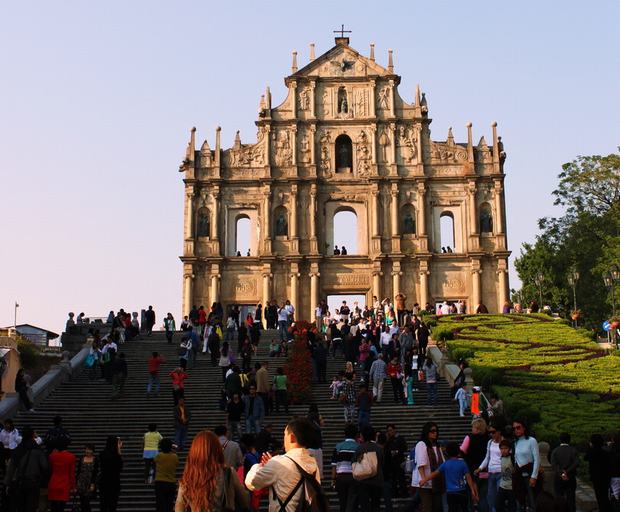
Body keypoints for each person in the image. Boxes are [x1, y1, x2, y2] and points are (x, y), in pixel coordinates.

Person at [245, 417, 321, 511]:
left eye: (285, 435)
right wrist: (272, 463)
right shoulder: (313, 463)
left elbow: (251, 482)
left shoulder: (278, 463)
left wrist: (259, 466)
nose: (283, 439)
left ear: (292, 437)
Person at [175, 430, 249, 512]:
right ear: (217, 449)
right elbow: (245, 501)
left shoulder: (189, 477)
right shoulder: (228, 472)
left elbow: (179, 508)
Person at [420, 441, 478, 512]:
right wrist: (472, 490)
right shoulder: (463, 463)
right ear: (458, 451)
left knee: (452, 509)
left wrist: (424, 480)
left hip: (451, 493)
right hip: (462, 491)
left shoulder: (445, 464)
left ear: (447, 452)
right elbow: (468, 477)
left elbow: (435, 473)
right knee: (464, 509)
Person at [412, 421, 445, 512]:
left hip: (436, 482)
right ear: (426, 432)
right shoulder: (421, 444)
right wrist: (424, 479)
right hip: (425, 483)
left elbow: (442, 463)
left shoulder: (437, 446)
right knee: (427, 507)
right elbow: (420, 463)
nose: (435, 433)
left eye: (436, 431)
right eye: (432, 431)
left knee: (437, 507)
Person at [475, 419, 504, 512]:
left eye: (493, 432)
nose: (491, 434)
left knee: (500, 498)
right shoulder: (490, 442)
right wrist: (479, 468)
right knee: (490, 497)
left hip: (501, 472)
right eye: (490, 432)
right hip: (491, 473)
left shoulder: (504, 442)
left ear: (499, 432)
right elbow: (487, 458)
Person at [512, 418, 541, 511]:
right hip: (519, 475)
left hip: (529, 474)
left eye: (518, 427)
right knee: (520, 500)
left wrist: (534, 476)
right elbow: (516, 459)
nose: (516, 430)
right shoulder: (515, 442)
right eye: (514, 428)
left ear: (524, 428)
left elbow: (537, 459)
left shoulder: (532, 440)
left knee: (532, 500)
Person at [355, 425, 385, 509]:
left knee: (364, 506)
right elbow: (382, 462)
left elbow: (354, 462)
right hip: (377, 480)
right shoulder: (379, 448)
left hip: (363, 481)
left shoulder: (359, 448)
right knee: (376, 505)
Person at [331, 423, 359, 512]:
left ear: (345, 434)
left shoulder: (338, 446)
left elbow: (334, 464)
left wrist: (333, 479)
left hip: (340, 477)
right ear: (356, 434)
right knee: (352, 503)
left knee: (342, 503)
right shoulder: (358, 447)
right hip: (354, 477)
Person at [550, 432, 578, 512]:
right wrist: (567, 472)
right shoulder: (573, 450)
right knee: (571, 499)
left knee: (559, 498)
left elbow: (554, 464)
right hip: (570, 477)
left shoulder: (555, 451)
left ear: (560, 440)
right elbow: (576, 463)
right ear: (569, 440)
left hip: (558, 477)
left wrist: (562, 473)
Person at [47, 439, 76, 512]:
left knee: (53, 507)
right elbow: (71, 473)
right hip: (64, 484)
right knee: (61, 507)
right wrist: (73, 486)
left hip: (53, 482)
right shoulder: (71, 456)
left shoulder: (52, 456)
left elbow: (49, 469)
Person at [585, 433, 612, 512]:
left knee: (599, 495)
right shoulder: (605, 452)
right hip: (605, 476)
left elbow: (585, 458)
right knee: (605, 495)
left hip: (595, 476)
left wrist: (590, 447)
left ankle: (602, 508)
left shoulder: (591, 452)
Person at [99, 436, 123, 512]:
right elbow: (120, 467)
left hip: (104, 482)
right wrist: (119, 449)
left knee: (103, 504)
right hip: (114, 482)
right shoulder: (116, 456)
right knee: (113, 505)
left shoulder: (102, 454)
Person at [154, 438, 178, 512]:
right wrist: (173, 450)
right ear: (171, 447)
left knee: (160, 504)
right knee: (169, 504)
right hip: (171, 483)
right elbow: (176, 463)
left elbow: (154, 462)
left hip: (160, 482)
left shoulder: (158, 456)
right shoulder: (175, 457)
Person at [385, 424, 408, 499]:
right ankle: (394, 493)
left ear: (394, 430)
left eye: (391, 430)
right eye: (388, 431)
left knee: (401, 478)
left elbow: (404, 447)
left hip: (399, 461)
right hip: (391, 462)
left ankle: (404, 493)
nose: (390, 432)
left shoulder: (400, 438)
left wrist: (397, 451)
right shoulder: (388, 440)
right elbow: (386, 449)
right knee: (393, 479)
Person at [75, 444, 99, 512]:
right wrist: (76, 483)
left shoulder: (95, 459)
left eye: (89, 449)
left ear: (92, 451)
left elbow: (95, 472)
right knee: (82, 501)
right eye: (86, 449)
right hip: (81, 482)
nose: (87, 451)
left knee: (86, 501)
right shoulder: (82, 458)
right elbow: (78, 471)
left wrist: (93, 484)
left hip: (89, 483)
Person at [495, 439, 515, 512]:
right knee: (498, 506)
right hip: (502, 486)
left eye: (505, 448)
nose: (503, 450)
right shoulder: (501, 458)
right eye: (501, 448)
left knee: (512, 507)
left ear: (509, 449)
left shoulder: (513, 458)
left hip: (511, 488)